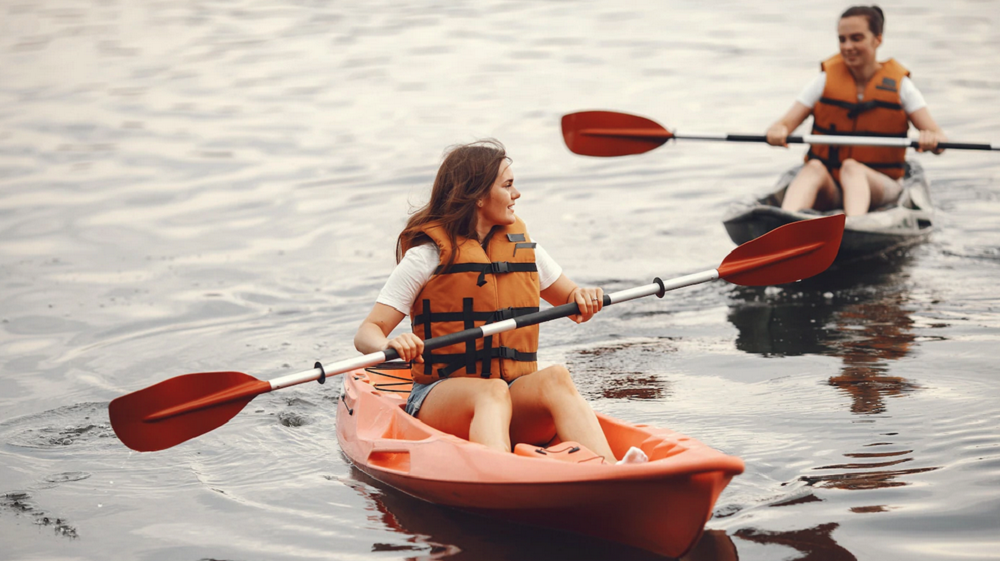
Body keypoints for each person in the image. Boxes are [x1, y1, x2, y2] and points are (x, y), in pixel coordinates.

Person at [354, 140, 645, 465]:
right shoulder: (427, 256)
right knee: (490, 391)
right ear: (478, 196)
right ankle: (503, 472)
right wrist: (394, 340)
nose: (517, 194)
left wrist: (584, 297)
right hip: (441, 399)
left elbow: (572, 301)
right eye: (507, 185)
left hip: (509, 395)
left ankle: (610, 470)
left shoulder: (525, 250)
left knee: (555, 377)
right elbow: (367, 333)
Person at [765, 5, 947, 216]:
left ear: (877, 39)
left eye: (856, 38)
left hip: (881, 186)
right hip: (833, 187)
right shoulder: (824, 81)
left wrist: (931, 138)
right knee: (814, 167)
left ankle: (853, 226)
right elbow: (784, 124)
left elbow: (938, 138)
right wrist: (778, 130)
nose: (848, 46)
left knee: (852, 167)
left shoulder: (902, 86)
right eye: (842, 39)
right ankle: (784, 227)